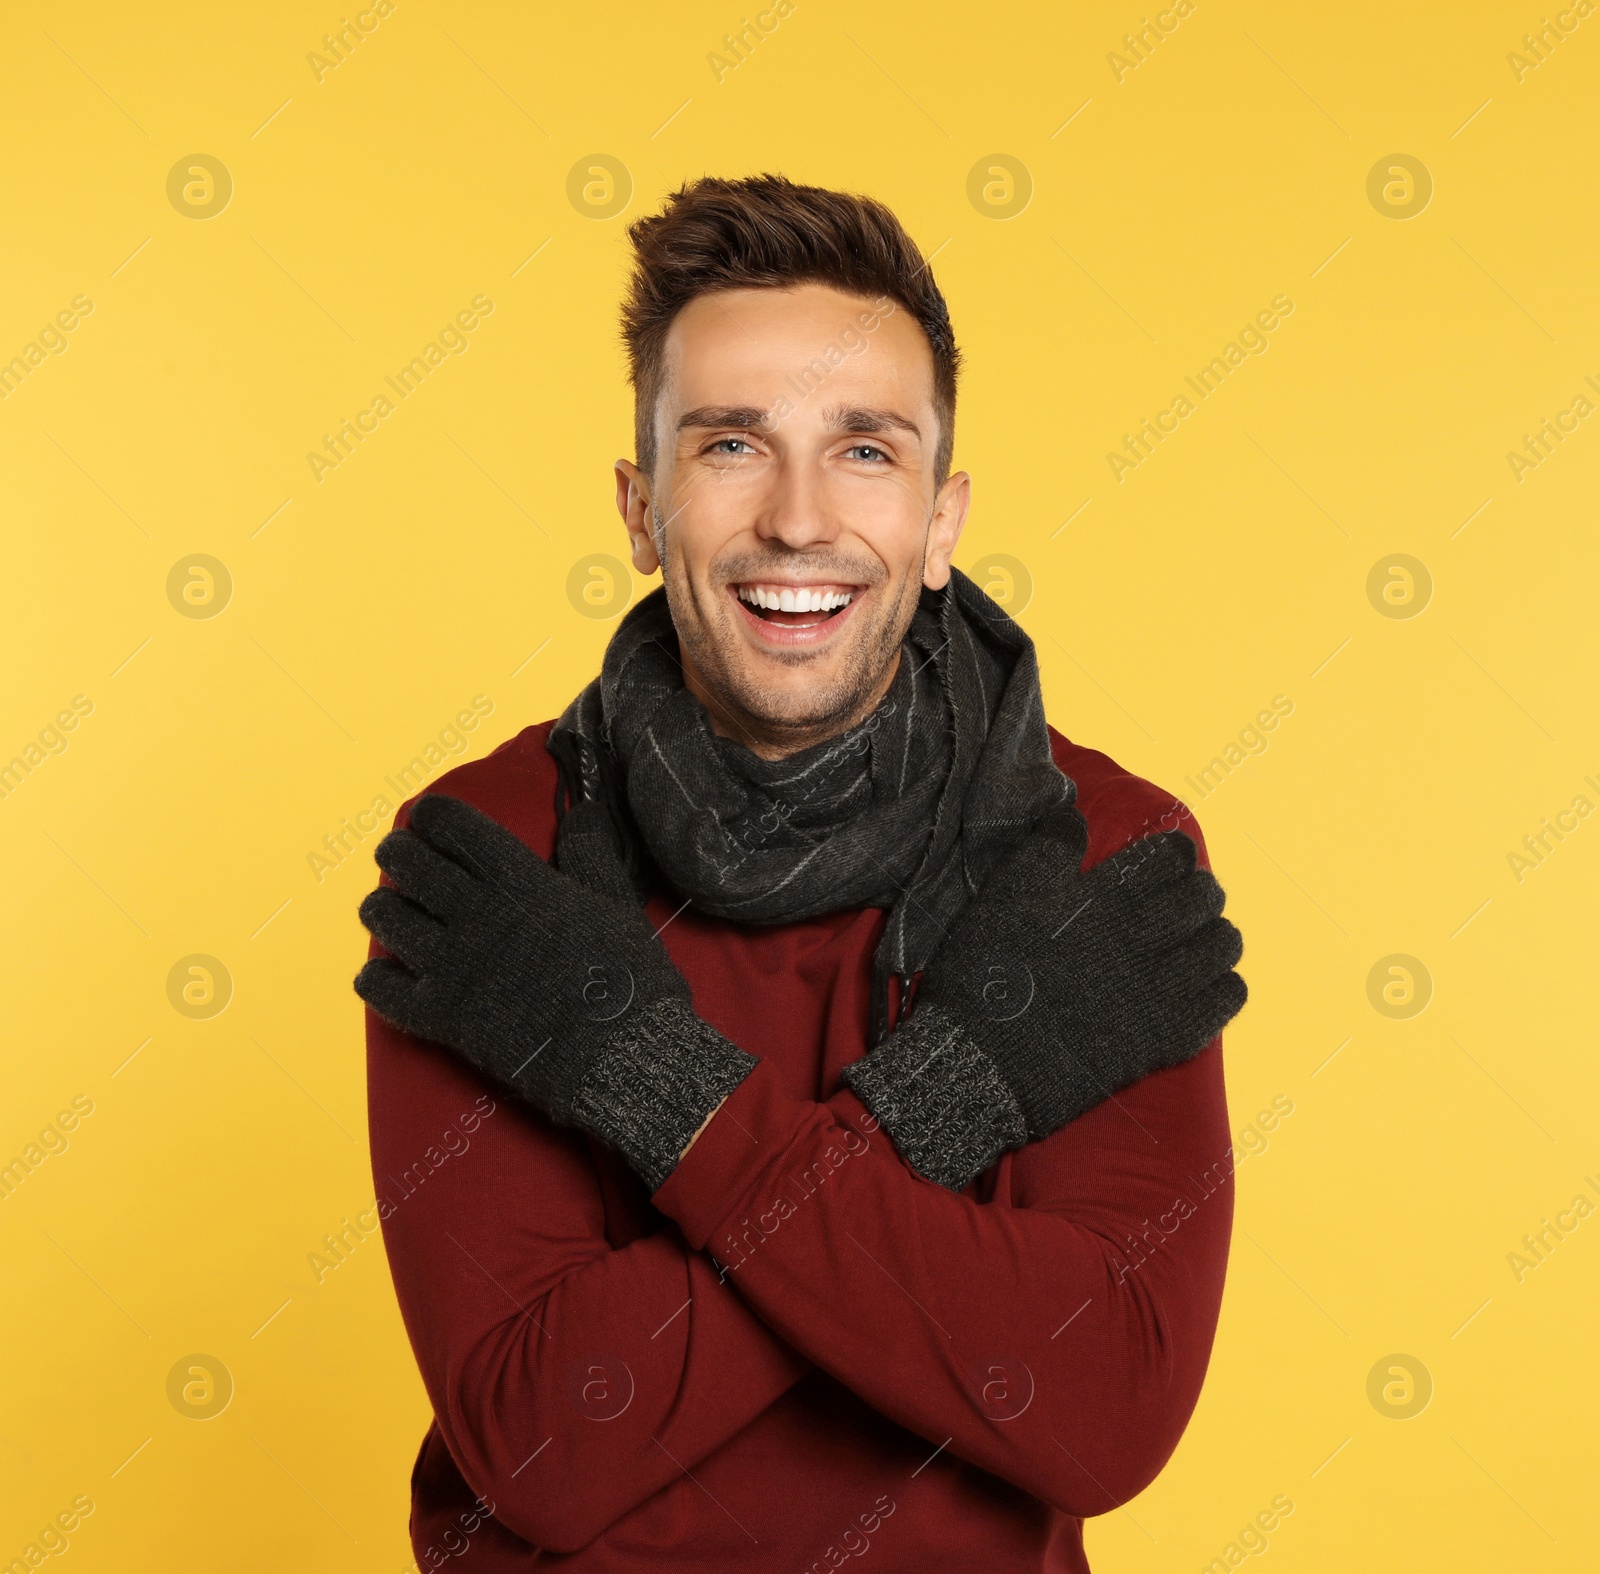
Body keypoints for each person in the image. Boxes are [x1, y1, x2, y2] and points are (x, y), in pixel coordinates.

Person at [354, 173, 1247, 1573]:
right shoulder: (491, 863)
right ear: (643, 510)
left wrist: (652, 1092)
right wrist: (965, 1093)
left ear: (943, 519)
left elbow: (1099, 1410)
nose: (795, 519)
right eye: (730, 445)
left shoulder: (1106, 859)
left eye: (865, 450)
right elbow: (546, 1443)